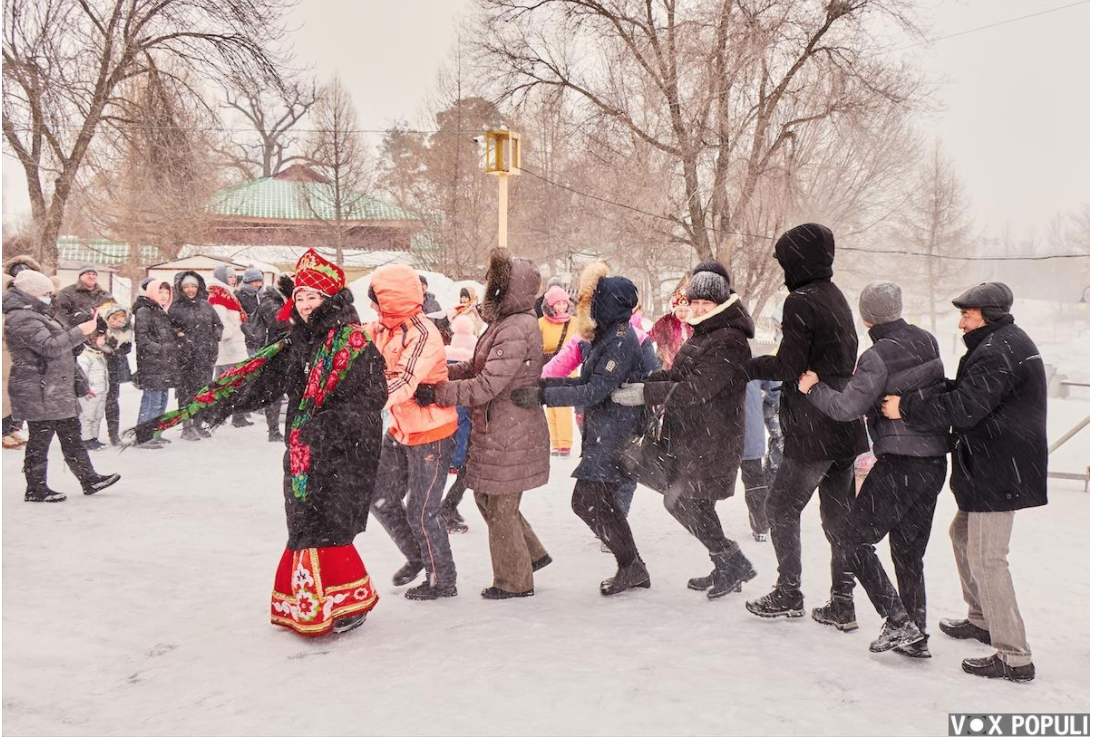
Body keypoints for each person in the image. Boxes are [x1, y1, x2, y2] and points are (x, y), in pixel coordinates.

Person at [127, 249, 388, 636]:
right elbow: (262, 383)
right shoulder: (294, 342)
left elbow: (371, 399)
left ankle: (347, 601)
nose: (304, 304)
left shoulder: (354, 346)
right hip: (302, 450)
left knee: (330, 525)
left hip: (343, 451)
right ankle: (307, 602)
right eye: (299, 297)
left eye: (312, 297)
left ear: (331, 299)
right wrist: (215, 403)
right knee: (304, 523)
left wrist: (329, 425)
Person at [883, 282, 1045, 682]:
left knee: (989, 558)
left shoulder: (998, 351)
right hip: (993, 462)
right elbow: (972, 394)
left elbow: (966, 407)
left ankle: (1015, 656)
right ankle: (982, 619)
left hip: (1000, 467)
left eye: (967, 315)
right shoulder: (999, 344)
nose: (960, 323)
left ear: (988, 314)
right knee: (962, 537)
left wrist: (907, 405)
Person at [799, 281, 948, 656]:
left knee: (850, 540)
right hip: (933, 462)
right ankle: (916, 633)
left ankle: (898, 622)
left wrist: (814, 388)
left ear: (866, 316)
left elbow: (846, 408)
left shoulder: (876, 356)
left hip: (900, 462)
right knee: (909, 552)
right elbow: (918, 387)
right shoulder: (927, 340)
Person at [743, 223, 868, 627]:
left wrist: (746, 366)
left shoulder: (801, 301)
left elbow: (788, 366)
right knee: (837, 518)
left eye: (784, 262)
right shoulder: (835, 297)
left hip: (813, 426)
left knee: (779, 506)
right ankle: (842, 600)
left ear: (798, 261)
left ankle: (788, 591)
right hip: (843, 423)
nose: (782, 272)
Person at [612, 260, 757, 599]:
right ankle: (728, 564)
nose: (699, 308)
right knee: (696, 505)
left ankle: (731, 562)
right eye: (695, 302)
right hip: (695, 436)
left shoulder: (729, 340)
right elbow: (680, 378)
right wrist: (647, 380)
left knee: (681, 502)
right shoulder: (705, 332)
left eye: (707, 304)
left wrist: (646, 394)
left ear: (720, 304)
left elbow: (697, 389)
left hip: (713, 439)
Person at [418, 249, 551, 600]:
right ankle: (530, 554)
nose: (487, 285)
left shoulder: (516, 327)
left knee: (501, 505)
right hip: (499, 426)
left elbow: (487, 385)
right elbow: (480, 367)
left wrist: (439, 393)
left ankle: (514, 581)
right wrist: (442, 372)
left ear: (509, 288)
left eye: (494, 281)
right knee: (487, 497)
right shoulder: (504, 323)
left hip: (511, 427)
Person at [514, 263, 651, 596]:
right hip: (605, 432)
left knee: (587, 502)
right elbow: (585, 380)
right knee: (596, 503)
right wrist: (545, 383)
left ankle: (632, 565)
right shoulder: (608, 334)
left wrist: (542, 396)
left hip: (615, 435)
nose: (583, 308)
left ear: (608, 303)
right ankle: (632, 566)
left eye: (592, 301)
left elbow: (594, 391)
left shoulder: (620, 340)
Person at [366, 264, 460, 600]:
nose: (374, 308)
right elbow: (354, 341)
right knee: (380, 498)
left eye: (377, 301)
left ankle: (442, 580)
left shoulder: (424, 334)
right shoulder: (382, 329)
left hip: (432, 433)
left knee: (422, 511)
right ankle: (418, 556)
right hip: (400, 429)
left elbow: (406, 381)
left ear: (393, 301)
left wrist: (364, 403)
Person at [3, 269, 120, 502]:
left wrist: (77, 335)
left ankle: (89, 478)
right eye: (46, 293)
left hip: (53, 386)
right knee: (40, 438)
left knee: (70, 435)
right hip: (39, 386)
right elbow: (49, 347)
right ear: (32, 293)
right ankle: (36, 488)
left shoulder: (39, 314)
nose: (50, 297)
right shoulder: (22, 317)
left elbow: (58, 344)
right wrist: (80, 332)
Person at [169, 271, 222, 441]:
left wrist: (215, 335)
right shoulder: (175, 308)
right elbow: (170, 328)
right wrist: (180, 336)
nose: (190, 290)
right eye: (186, 287)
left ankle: (198, 424)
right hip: (186, 358)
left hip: (206, 356)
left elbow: (218, 323)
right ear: (180, 288)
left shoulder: (206, 305)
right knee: (186, 393)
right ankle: (186, 427)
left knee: (202, 391)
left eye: (193, 286)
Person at [439, 313, 477, 534]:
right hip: (461, 440)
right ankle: (446, 509)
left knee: (442, 477)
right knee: (466, 475)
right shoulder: (469, 377)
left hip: (443, 437)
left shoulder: (445, 370)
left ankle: (447, 507)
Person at [2, 253, 43, 449]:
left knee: (19, 392)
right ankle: (3, 430)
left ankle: (11, 427)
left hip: (24, 348)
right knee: (5, 391)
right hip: (8, 347)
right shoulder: (9, 296)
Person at [132, 278, 177, 447]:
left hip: (164, 363)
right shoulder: (144, 310)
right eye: (160, 291)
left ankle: (155, 432)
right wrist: (161, 349)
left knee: (162, 398)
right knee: (152, 399)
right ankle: (143, 436)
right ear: (152, 291)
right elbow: (142, 339)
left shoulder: (160, 311)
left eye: (167, 292)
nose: (164, 296)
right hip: (152, 364)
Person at [251, 274, 295, 442]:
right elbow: (280, 321)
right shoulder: (269, 300)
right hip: (273, 352)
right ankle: (273, 430)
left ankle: (292, 429)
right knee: (274, 392)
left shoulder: (289, 299)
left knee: (294, 392)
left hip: (292, 351)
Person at [208, 265, 252, 429]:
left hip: (232, 346)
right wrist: (231, 334)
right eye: (230, 277)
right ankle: (235, 416)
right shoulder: (219, 295)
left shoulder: (226, 293)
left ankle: (218, 414)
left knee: (221, 383)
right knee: (236, 382)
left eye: (234, 276)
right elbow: (221, 323)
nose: (233, 279)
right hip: (229, 346)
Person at [538, 284, 577, 456]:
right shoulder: (541, 323)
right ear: (550, 305)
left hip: (568, 368)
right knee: (551, 406)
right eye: (557, 303)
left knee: (563, 406)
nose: (561, 307)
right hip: (548, 368)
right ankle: (555, 442)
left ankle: (565, 443)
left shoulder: (574, 322)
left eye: (564, 303)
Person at [98, 303, 133, 446]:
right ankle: (89, 436)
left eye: (120, 321)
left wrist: (118, 350)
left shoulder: (124, 334)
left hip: (113, 371)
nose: (116, 323)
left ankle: (113, 434)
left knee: (112, 403)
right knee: (94, 404)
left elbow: (125, 350)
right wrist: (107, 347)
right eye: (114, 319)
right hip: (98, 371)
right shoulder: (100, 330)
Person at [76, 331, 110, 449]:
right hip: (90, 392)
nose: (103, 341)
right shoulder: (85, 355)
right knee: (87, 415)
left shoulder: (99, 354)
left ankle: (94, 437)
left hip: (101, 390)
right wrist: (86, 387)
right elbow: (82, 374)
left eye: (104, 339)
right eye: (101, 338)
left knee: (98, 415)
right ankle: (86, 439)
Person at [649, 289, 692, 369]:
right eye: (680, 310)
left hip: (688, 364)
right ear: (674, 310)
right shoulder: (665, 322)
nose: (683, 314)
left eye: (686, 311)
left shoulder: (693, 324)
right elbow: (649, 336)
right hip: (668, 363)